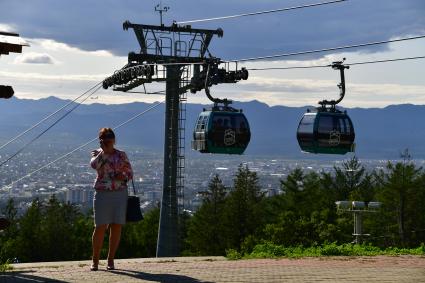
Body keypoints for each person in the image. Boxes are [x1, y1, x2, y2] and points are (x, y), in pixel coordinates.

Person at [89, 128, 133, 271]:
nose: (108, 142)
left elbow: (130, 172)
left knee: (116, 226)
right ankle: (95, 260)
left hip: (120, 193)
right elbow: (94, 165)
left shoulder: (121, 155)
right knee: (100, 226)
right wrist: (103, 153)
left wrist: (124, 176)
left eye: (110, 139)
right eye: (105, 140)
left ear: (114, 140)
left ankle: (111, 259)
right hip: (102, 193)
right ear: (101, 141)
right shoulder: (98, 154)